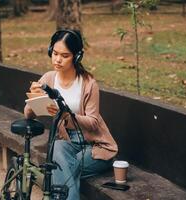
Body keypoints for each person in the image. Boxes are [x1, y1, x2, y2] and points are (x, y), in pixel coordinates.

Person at [24, 29, 118, 200]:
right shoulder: (48, 79)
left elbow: (93, 123)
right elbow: (28, 114)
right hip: (68, 144)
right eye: (55, 53)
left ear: (76, 57)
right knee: (58, 149)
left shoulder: (88, 83)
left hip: (95, 147)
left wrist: (66, 116)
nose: (57, 59)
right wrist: (34, 98)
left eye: (65, 55)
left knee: (60, 169)